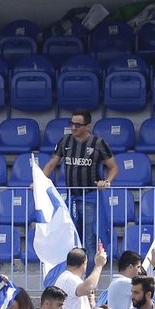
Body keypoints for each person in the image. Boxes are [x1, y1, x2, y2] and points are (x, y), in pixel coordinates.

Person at [43, 109, 117, 259]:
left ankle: (88, 279)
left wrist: (107, 181)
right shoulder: (65, 140)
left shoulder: (99, 143)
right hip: (70, 198)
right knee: (71, 240)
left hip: (89, 197)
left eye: (78, 125)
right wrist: (39, 181)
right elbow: (52, 164)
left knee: (89, 241)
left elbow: (114, 167)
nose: (73, 127)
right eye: (71, 123)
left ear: (88, 126)